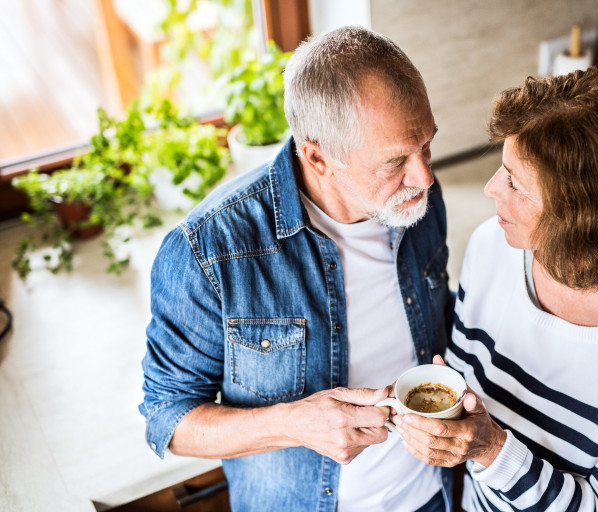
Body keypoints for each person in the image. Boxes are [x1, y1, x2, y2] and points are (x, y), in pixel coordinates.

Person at [139, 26, 454, 512]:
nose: (424, 177)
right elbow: (167, 421)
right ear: (317, 157)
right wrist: (293, 424)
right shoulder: (208, 250)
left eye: (426, 146)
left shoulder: (415, 203)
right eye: (395, 161)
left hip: (434, 496)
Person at [391, 67, 598, 511]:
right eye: (502, 170)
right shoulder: (492, 247)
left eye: (515, 183)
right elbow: (472, 392)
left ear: (585, 215)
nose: (490, 189)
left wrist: (490, 450)